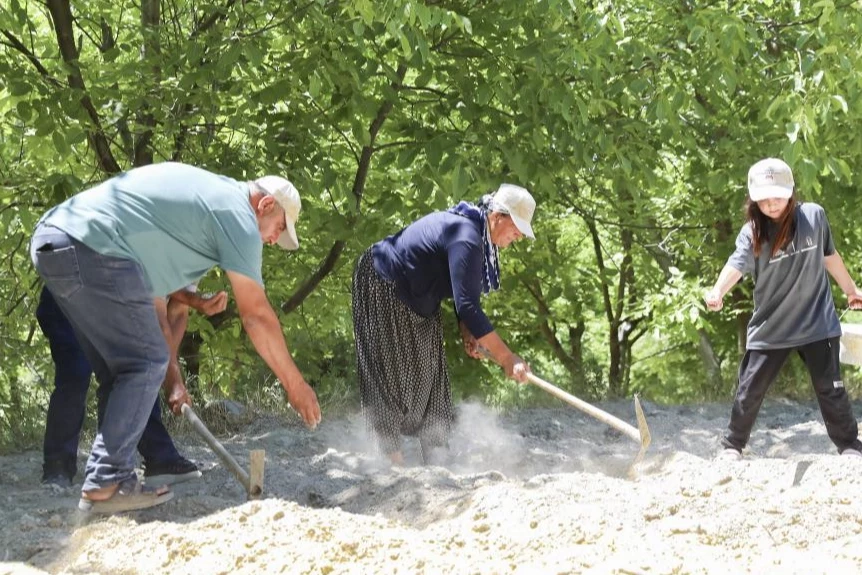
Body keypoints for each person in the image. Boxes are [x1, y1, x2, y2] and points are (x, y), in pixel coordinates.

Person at [30, 162, 321, 513]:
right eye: (278, 229)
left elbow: (156, 312)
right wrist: (295, 385)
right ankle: (106, 481)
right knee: (144, 362)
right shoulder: (236, 215)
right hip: (86, 246)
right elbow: (256, 316)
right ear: (265, 205)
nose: (274, 240)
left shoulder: (193, 223)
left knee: (123, 368)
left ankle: (108, 481)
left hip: (55, 242)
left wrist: (174, 381)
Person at [352, 183, 535, 465]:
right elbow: (469, 307)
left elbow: (464, 297)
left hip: (421, 295)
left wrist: (468, 331)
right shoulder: (466, 235)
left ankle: (437, 460)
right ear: (498, 216)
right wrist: (507, 357)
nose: (518, 236)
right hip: (383, 279)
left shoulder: (478, 239)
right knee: (385, 373)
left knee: (433, 377)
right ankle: (392, 465)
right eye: (517, 228)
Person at [704, 158, 862, 460]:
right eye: (763, 198)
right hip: (771, 327)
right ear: (753, 198)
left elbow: (829, 256)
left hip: (817, 322)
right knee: (749, 391)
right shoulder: (752, 232)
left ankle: (850, 446)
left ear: (790, 191)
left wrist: (851, 289)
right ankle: (732, 446)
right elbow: (736, 264)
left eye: (777, 195)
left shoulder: (814, 217)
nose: (771, 203)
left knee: (831, 389)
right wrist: (717, 291)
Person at [37, 283, 226, 489]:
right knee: (75, 373)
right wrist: (172, 377)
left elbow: (177, 310)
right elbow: (157, 300)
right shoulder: (151, 256)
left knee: (138, 369)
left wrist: (169, 370)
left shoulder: (196, 258)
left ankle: (157, 459)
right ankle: (58, 468)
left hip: (112, 299)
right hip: (70, 291)